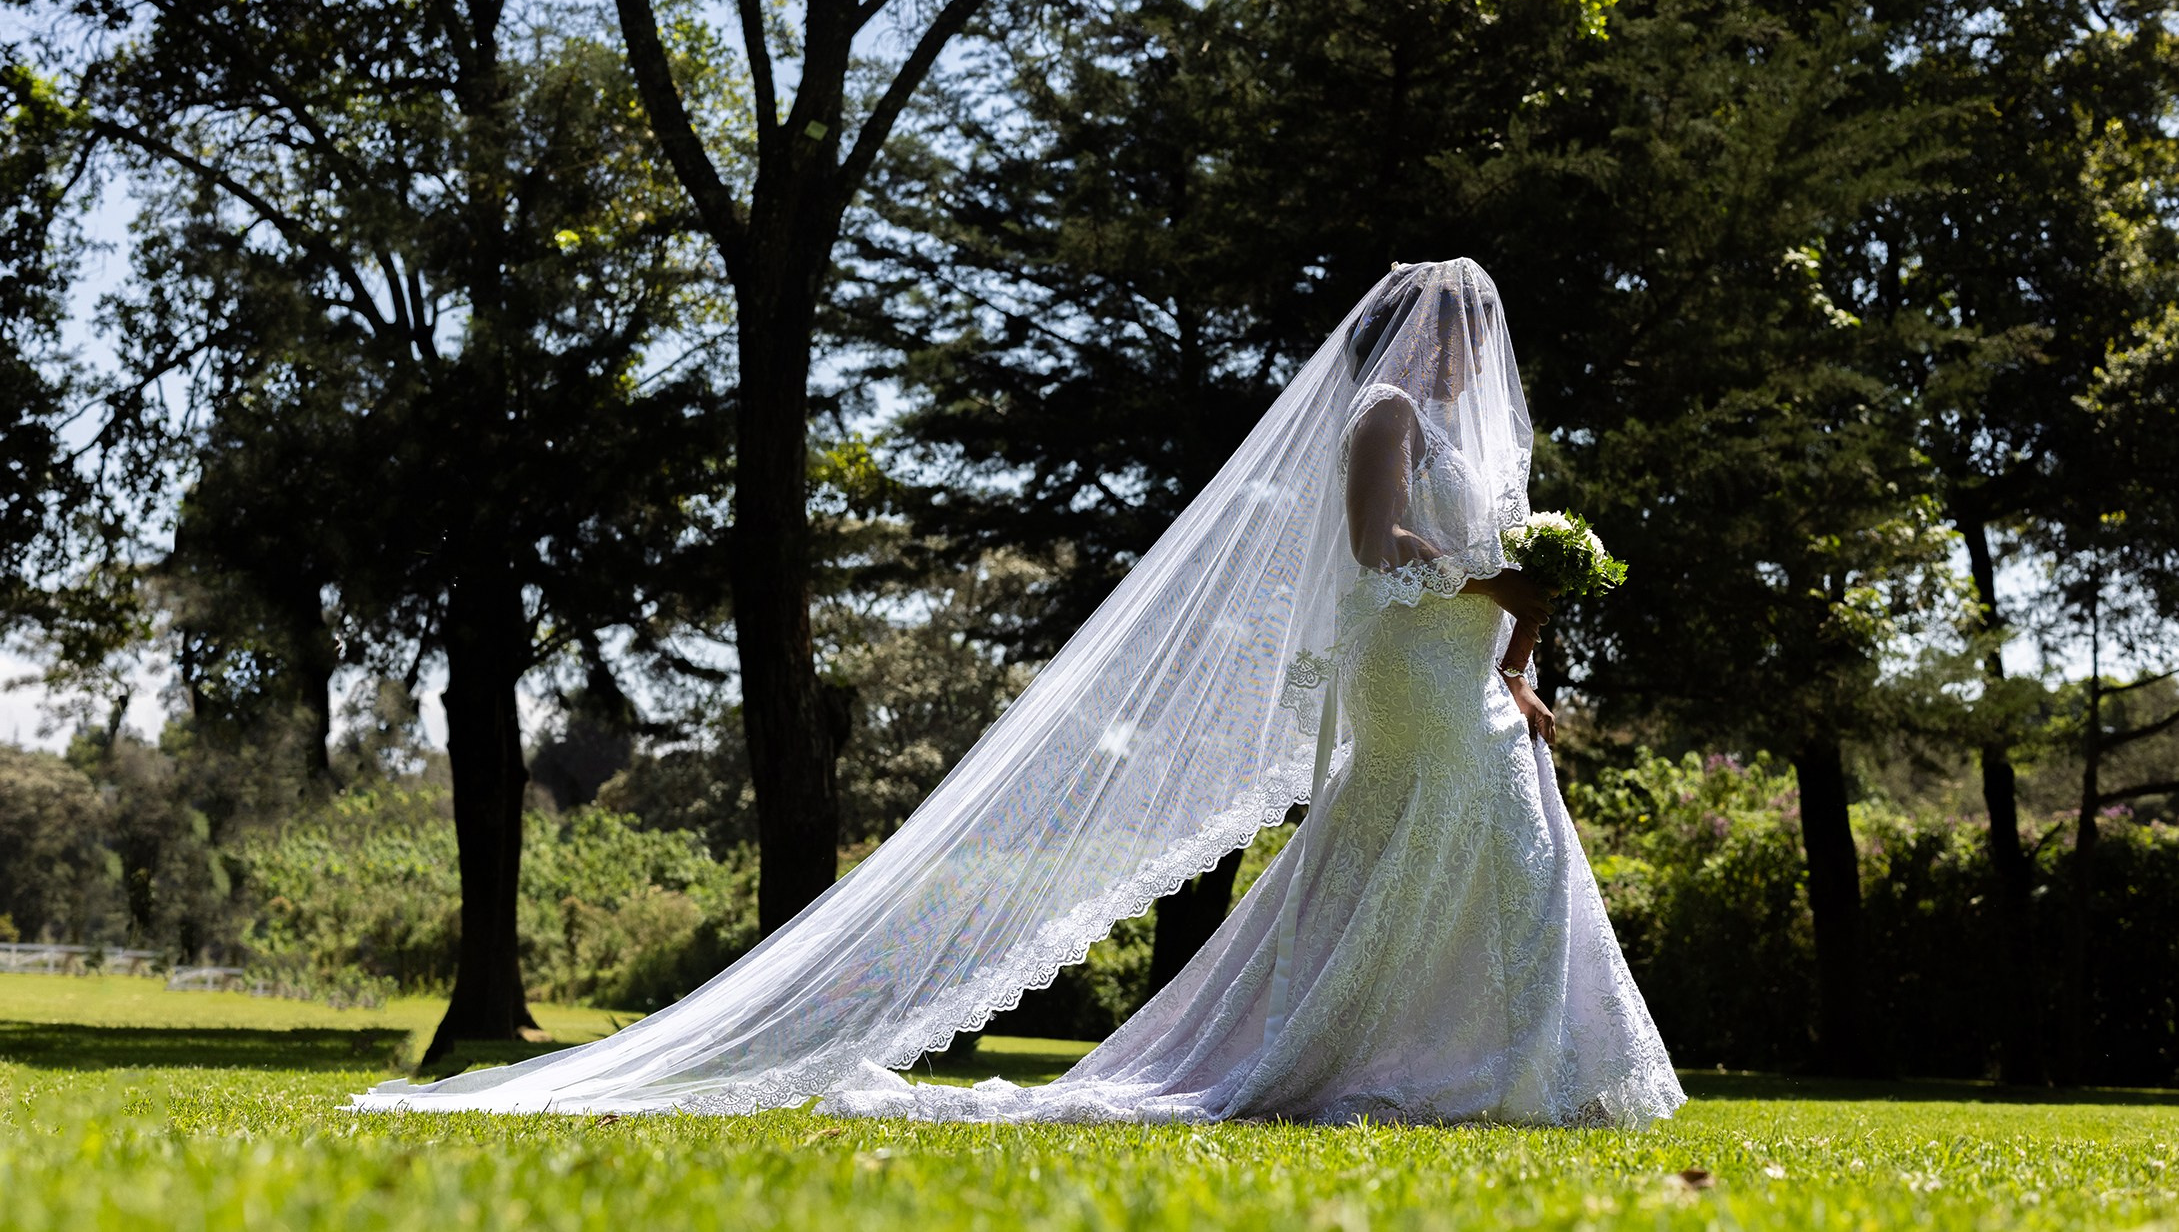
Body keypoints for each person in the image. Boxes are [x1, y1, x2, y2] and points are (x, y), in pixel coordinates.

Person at [354, 259, 1682, 1127]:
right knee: (1425, 829)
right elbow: (1372, 550)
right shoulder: (1383, 413)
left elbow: (1510, 583)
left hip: (1470, 675)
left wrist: (1517, 653)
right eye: (1456, 326)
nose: (1469, 349)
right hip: (1407, 669)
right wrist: (1479, 584)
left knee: (1506, 831)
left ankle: (1531, 1063)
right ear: (1414, 328)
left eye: (1476, 331)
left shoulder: (1480, 438)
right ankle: (1384, 1055)